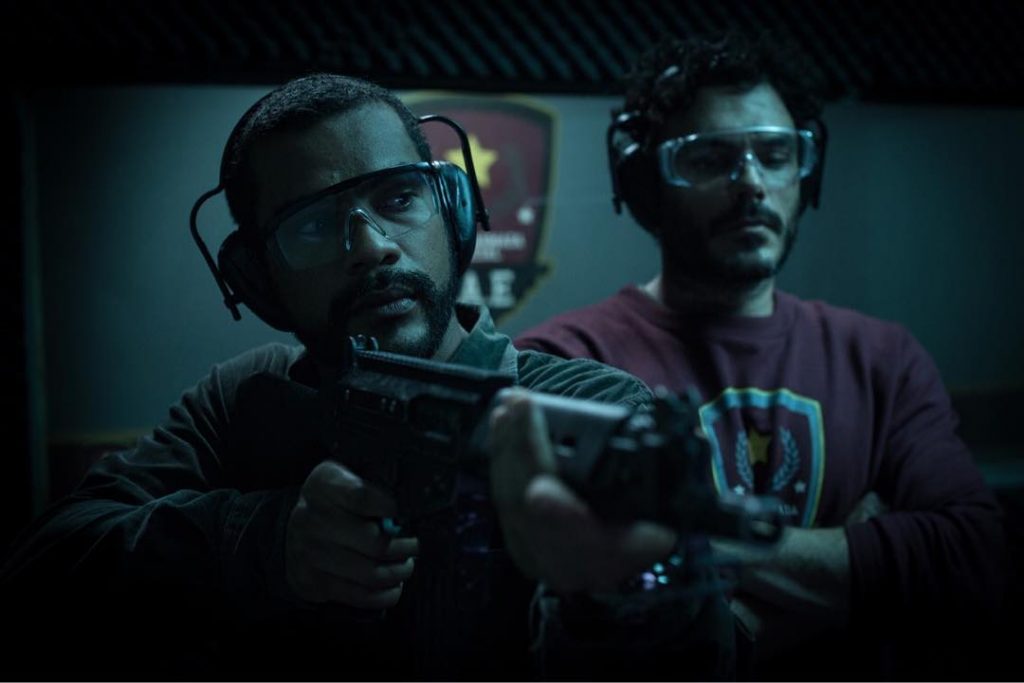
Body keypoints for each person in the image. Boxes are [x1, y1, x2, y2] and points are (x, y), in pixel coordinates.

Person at [1, 74, 734, 679]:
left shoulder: (590, 408)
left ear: (452, 210)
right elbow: (40, 573)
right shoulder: (243, 400)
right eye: (313, 225)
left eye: (397, 198)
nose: (370, 246)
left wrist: (622, 592)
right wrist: (265, 543)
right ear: (257, 279)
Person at [514, 33, 1006, 679]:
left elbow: (974, 560)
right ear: (646, 183)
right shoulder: (562, 362)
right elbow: (583, 623)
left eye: (775, 155)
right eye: (709, 158)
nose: (751, 183)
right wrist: (861, 562)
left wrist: (692, 541)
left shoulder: (882, 360)